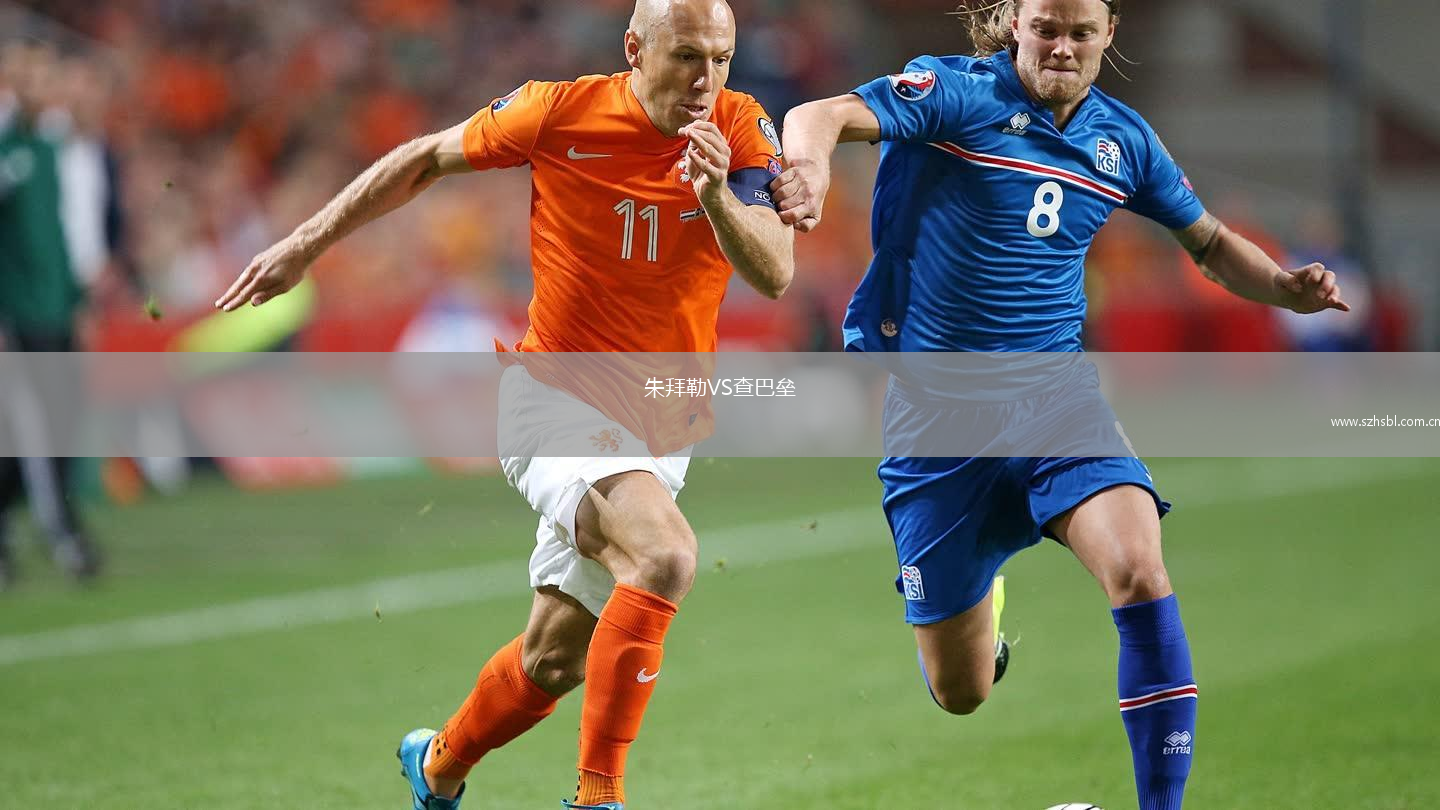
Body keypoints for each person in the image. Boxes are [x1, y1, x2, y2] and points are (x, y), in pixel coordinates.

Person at [770, 1, 1347, 809]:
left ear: (1110, 33)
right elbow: (816, 113)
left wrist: (1283, 287)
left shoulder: (1123, 140)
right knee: (961, 692)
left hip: (1056, 404)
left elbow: (1211, 243)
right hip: (936, 425)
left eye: (1081, 32)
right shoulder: (956, 95)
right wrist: (811, 169)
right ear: (1014, 23)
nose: (1063, 48)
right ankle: (986, 592)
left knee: (1139, 573)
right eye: (1047, 28)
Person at [215, 2, 792, 808]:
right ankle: (598, 797)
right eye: (687, 56)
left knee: (553, 660)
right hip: (555, 400)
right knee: (665, 557)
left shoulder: (740, 126)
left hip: (664, 421)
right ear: (635, 48)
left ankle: (437, 766)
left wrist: (719, 196)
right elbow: (424, 158)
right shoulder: (557, 112)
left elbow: (775, 272)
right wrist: (302, 246)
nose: (707, 79)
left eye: (722, 58)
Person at [0, 39, 104, 590]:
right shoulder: (10, 149)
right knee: (22, 427)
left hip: (55, 306)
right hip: (18, 310)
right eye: (34, 76)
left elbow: (60, 235)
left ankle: (53, 526)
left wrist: (78, 300)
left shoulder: (48, 150)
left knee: (59, 420)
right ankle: (60, 530)